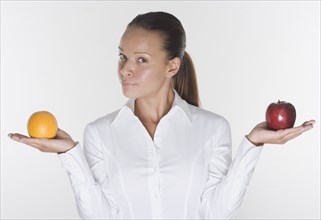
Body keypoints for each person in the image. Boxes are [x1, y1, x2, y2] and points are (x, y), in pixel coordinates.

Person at [8, 11, 315, 219]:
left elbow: (216, 213)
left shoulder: (212, 128)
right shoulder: (99, 132)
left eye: (141, 59)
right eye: (123, 56)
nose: (125, 68)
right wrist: (69, 154)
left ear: (172, 66)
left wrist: (252, 145)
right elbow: (100, 216)